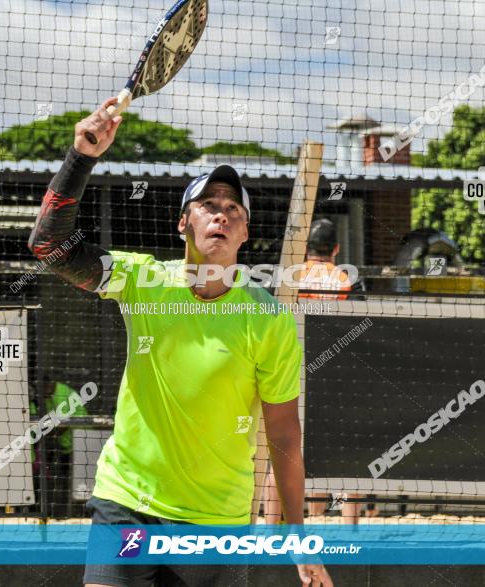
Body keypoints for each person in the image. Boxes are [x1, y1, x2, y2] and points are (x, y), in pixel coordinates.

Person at [28, 97, 333, 587]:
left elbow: (283, 435)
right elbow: (48, 247)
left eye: (233, 208)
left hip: (216, 522)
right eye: (207, 205)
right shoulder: (143, 280)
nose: (221, 214)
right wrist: (81, 157)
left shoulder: (269, 320)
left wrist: (296, 535)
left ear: (246, 233)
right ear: (183, 223)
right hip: (126, 502)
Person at [263, 219, 367, 524]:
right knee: (348, 455)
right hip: (337, 375)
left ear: (306, 249)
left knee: (283, 454)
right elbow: (362, 326)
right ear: (335, 248)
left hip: (291, 371)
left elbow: (270, 320)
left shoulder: (290, 277)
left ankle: (272, 530)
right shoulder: (348, 280)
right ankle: (348, 532)